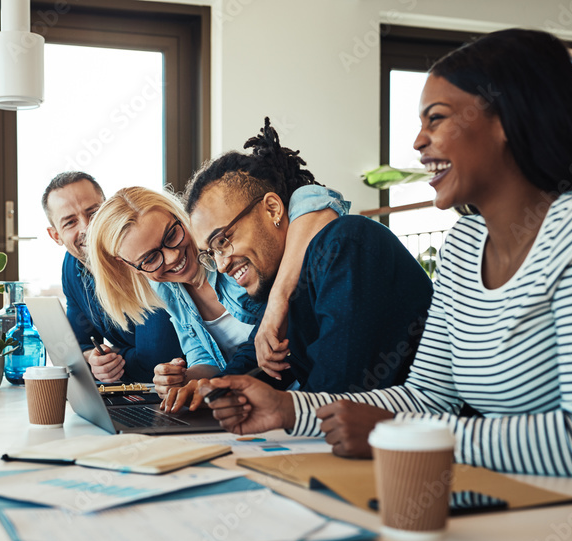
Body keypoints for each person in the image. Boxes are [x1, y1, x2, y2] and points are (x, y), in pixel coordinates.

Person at [200, 30, 572, 495]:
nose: (419, 142)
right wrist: (287, 409)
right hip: (534, 503)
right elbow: (427, 396)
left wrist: (393, 432)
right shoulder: (465, 243)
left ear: (505, 119)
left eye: (436, 119)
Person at [183, 119, 434, 398]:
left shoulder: (344, 246)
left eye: (223, 241)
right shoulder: (288, 284)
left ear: (272, 209)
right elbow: (259, 357)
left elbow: (335, 396)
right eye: (211, 253)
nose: (221, 264)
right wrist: (209, 393)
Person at [84, 186, 263, 407]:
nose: (172, 256)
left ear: (178, 215)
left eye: (171, 235)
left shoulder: (228, 253)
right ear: (131, 267)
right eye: (150, 258)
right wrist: (180, 379)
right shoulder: (166, 290)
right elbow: (205, 357)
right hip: (248, 404)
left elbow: (276, 332)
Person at [41, 172, 182, 383]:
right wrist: (94, 360)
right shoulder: (72, 266)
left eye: (93, 213)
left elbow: (154, 362)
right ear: (56, 236)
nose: (86, 227)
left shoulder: (142, 256)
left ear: (107, 209)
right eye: (70, 222)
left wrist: (114, 354)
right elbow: (78, 344)